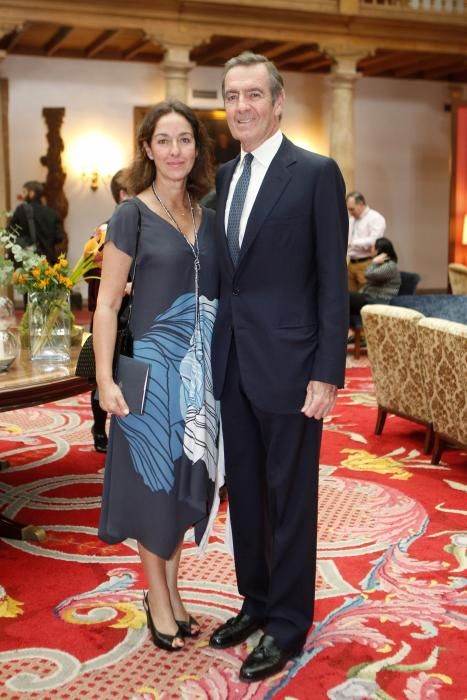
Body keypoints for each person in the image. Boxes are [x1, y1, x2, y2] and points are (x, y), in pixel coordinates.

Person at [209, 52, 349, 682]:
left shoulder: (316, 173)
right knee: (246, 497)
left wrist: (328, 372)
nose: (242, 107)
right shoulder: (224, 175)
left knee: (289, 500)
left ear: (279, 100)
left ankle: (289, 622)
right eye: (232, 96)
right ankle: (257, 600)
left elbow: (330, 284)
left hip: (294, 369)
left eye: (254, 95)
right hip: (234, 363)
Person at [93, 101, 220, 652]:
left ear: (197, 148)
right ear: (148, 149)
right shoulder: (131, 215)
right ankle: (157, 598)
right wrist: (104, 380)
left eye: (185, 140)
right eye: (164, 140)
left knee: (184, 485)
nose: (175, 151)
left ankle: (171, 590)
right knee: (152, 487)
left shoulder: (207, 216)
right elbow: (104, 307)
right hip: (147, 372)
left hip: (199, 375)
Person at [85, 169, 130, 453]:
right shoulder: (105, 229)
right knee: (102, 374)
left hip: (133, 315)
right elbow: (92, 274)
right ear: (123, 195)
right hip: (109, 314)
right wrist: (124, 287)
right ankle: (98, 429)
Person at [10, 180, 64, 265]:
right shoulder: (53, 213)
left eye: (24, 192)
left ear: (32, 193)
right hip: (48, 263)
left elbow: (11, 233)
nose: (23, 196)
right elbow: (60, 237)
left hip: (27, 263)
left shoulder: (21, 211)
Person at [349, 236, 401, 314]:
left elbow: (368, 274)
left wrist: (373, 262)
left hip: (379, 300)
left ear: (378, 250)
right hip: (370, 297)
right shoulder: (381, 264)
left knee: (347, 296)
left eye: (373, 247)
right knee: (346, 295)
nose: (370, 249)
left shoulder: (390, 266)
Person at [346, 191, 386, 292]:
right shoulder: (352, 220)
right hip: (352, 262)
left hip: (367, 262)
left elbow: (375, 240)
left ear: (361, 205)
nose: (350, 212)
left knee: (365, 295)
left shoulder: (375, 218)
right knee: (350, 295)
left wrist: (352, 243)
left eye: (352, 209)